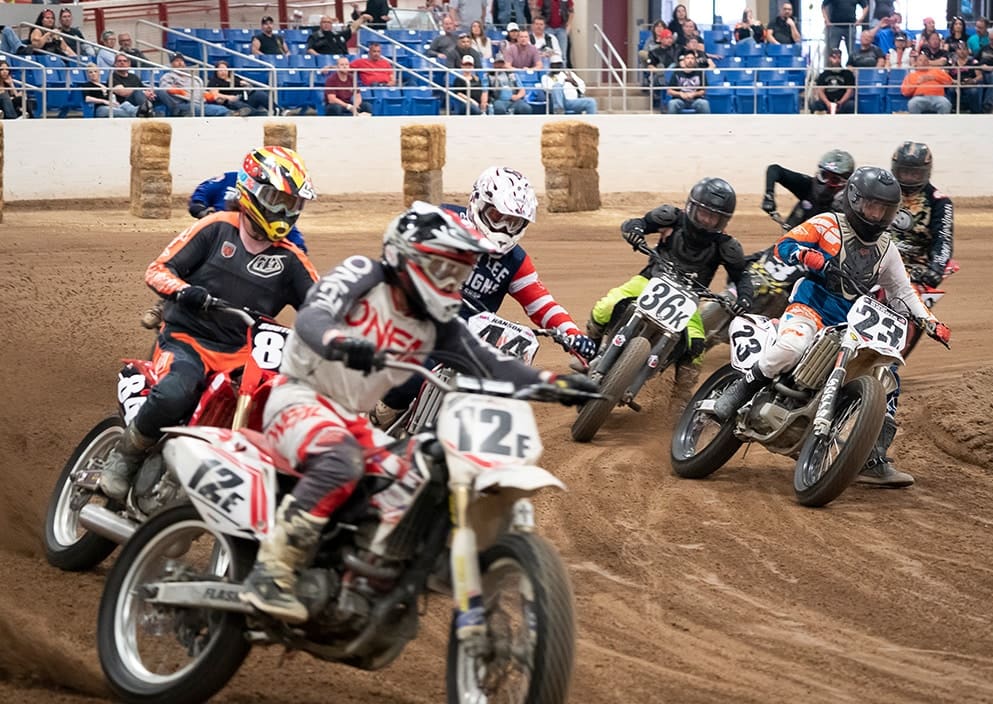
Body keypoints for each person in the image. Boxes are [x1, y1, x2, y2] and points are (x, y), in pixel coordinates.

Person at [240, 201, 597, 622]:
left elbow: (491, 363)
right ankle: (272, 571)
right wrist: (339, 340)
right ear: (408, 257)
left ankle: (361, 573)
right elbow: (314, 314)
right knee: (340, 461)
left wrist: (553, 384)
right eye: (444, 271)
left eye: (459, 276)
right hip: (299, 397)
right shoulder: (364, 274)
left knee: (418, 477)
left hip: (352, 419)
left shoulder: (436, 323)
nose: (452, 285)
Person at [100, 147, 319, 501]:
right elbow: (158, 269)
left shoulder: (292, 258)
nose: (285, 211)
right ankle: (125, 455)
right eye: (277, 199)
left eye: (294, 203)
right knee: (175, 393)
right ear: (251, 191)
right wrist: (185, 292)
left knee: (275, 415)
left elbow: (323, 306)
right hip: (187, 340)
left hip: (243, 358)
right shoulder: (216, 228)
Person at [714, 166, 950, 489]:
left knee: (886, 377)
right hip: (810, 305)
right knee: (792, 347)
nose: (877, 215)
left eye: (884, 210)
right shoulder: (828, 224)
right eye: (871, 207)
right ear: (854, 200)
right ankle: (742, 388)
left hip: (851, 320)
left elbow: (903, 291)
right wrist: (805, 254)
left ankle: (872, 455)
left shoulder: (887, 249)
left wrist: (931, 322)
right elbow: (784, 245)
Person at [371, 167, 598, 427]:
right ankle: (378, 417)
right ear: (479, 203)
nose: (504, 227)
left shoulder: (515, 261)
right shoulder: (443, 219)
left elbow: (542, 304)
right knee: (411, 375)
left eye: (513, 222)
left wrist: (574, 336)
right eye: (497, 217)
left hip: (467, 338)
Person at [586, 178, 752, 411]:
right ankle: (588, 351)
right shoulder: (671, 217)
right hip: (650, 279)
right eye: (703, 213)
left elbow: (742, 276)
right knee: (605, 306)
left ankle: (680, 398)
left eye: (713, 217)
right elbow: (639, 223)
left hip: (690, 298)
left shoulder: (727, 246)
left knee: (696, 345)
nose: (706, 221)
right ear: (690, 206)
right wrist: (634, 231)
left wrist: (743, 299)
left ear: (723, 220)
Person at [188, 171, 309, 252]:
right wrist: (207, 215)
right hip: (218, 238)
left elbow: (296, 243)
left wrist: (298, 250)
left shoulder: (272, 195)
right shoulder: (229, 179)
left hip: (256, 247)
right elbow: (200, 197)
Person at [761, 149, 856, 228]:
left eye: (834, 180)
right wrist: (769, 195)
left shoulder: (850, 207)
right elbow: (774, 169)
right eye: (823, 176)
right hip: (789, 244)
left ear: (845, 184)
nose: (826, 184)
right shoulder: (808, 186)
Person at [159, 52, 239, 117]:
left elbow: (202, 93)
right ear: (171, 64)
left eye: (182, 61)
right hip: (182, 104)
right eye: (176, 61)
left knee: (218, 107)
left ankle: (231, 113)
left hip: (200, 102)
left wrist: (211, 97)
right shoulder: (168, 76)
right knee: (205, 109)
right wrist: (179, 92)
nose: (180, 63)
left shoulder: (193, 77)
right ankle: (231, 113)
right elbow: (164, 89)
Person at [809, 47, 855, 113]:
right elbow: (820, 91)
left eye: (839, 57)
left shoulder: (847, 73)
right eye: (834, 57)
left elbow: (849, 90)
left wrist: (840, 102)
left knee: (851, 105)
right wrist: (828, 103)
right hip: (827, 102)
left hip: (842, 102)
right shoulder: (824, 74)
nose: (837, 60)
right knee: (814, 105)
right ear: (830, 58)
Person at [666, 49, 709, 113]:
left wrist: (694, 94)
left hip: (696, 100)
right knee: (672, 103)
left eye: (692, 58)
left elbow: (703, 91)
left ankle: (707, 122)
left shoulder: (700, 72)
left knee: (704, 103)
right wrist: (680, 94)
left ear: (695, 61)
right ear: (684, 60)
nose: (690, 60)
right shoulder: (677, 72)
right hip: (680, 100)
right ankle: (671, 123)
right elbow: (669, 91)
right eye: (688, 58)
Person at [543, 0, 573, 66]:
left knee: (563, 53)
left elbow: (571, 11)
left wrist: (569, 25)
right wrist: (541, 24)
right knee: (547, 52)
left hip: (562, 28)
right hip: (548, 27)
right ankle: (548, 71)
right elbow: (538, 9)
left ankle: (563, 71)